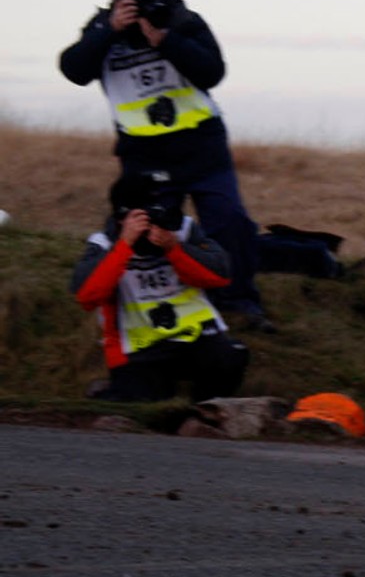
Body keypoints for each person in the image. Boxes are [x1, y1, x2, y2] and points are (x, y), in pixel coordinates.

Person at [59, 0, 269, 329]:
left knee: (229, 220)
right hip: (143, 154)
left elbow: (212, 72)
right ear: (117, 0)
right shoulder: (102, 30)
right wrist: (109, 31)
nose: (141, 5)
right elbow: (74, 69)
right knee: (149, 230)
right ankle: (165, 307)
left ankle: (238, 302)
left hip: (202, 145)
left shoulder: (179, 19)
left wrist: (167, 40)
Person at [72, 170, 250, 403]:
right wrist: (124, 245)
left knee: (232, 360)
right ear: (123, 216)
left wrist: (175, 248)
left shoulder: (181, 229)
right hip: (138, 348)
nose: (159, 215)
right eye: (150, 211)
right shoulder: (104, 243)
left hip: (196, 337)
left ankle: (203, 411)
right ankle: (115, 392)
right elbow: (87, 296)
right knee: (143, 402)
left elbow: (220, 275)